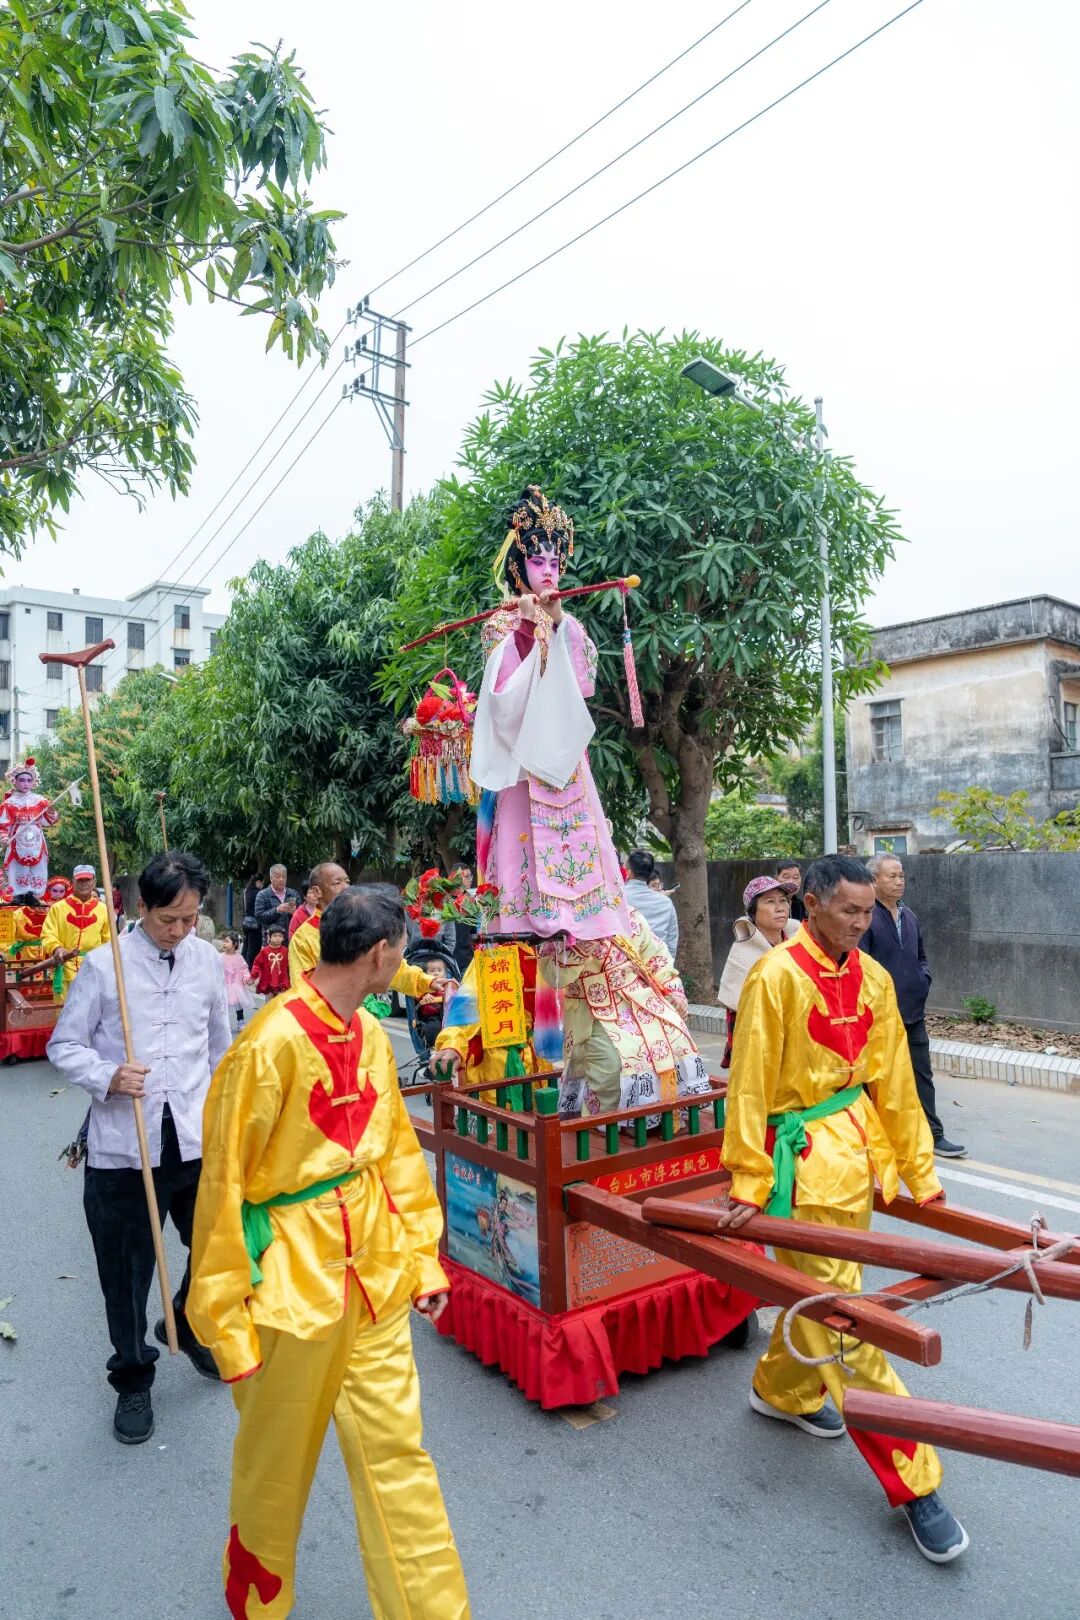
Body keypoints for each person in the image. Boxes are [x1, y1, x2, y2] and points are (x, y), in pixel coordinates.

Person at [188, 887, 469, 1619]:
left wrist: (422, 1261)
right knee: (275, 1465)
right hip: (291, 1281)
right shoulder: (268, 1045)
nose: (402, 964)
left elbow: (396, 1156)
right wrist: (225, 1325)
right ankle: (258, 1604)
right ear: (378, 955)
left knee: (399, 1455)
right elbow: (222, 1187)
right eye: (400, 953)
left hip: (374, 1272)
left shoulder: (370, 1032)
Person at [717, 855, 967, 1564]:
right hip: (800, 1168)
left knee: (824, 1296)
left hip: (855, 1155)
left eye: (868, 912)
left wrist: (918, 1171)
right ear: (814, 905)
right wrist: (747, 1180)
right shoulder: (775, 976)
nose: (863, 922)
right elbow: (749, 1084)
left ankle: (781, 1391)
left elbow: (896, 1081)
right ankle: (916, 1481)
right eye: (851, 911)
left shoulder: (874, 977)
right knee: (846, 1319)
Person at [46, 851, 231, 1444]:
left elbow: (220, 1047)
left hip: (195, 1137)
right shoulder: (106, 967)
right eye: (167, 919)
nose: (179, 931)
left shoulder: (207, 961)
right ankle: (132, 1377)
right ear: (141, 907)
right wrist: (107, 1075)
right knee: (124, 1273)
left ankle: (186, 1318)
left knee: (218, 1247)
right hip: (124, 1147)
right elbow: (64, 1045)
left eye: (189, 919)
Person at [469, 484, 632, 940]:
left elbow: (583, 683)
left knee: (579, 840)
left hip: (564, 763)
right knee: (521, 846)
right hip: (522, 763)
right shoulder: (500, 623)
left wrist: (557, 622)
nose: (548, 571)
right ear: (518, 567)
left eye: (555, 563)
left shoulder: (568, 623)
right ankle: (521, 921)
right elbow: (502, 694)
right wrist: (525, 628)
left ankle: (588, 919)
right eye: (538, 561)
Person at [538, 907, 712, 1121]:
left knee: (678, 1040)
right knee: (613, 1063)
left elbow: (656, 956)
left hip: (642, 1000)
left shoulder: (628, 914)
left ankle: (664, 1115)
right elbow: (554, 977)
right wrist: (583, 945)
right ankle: (612, 1123)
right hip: (592, 1011)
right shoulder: (559, 923)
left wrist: (673, 990)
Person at [861, 853, 966, 1159]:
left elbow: (921, 956)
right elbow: (861, 966)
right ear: (874, 880)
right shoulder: (866, 918)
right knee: (878, 1079)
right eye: (892, 876)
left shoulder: (909, 916)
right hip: (880, 1016)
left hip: (913, 1012)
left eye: (901, 876)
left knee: (922, 1075)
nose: (899, 882)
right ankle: (874, 1137)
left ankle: (934, 1135)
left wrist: (923, 979)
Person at [291, 862, 436, 1004]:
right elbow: (303, 991)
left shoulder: (363, 924)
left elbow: (389, 965)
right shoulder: (303, 938)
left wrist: (427, 982)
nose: (346, 888)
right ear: (317, 891)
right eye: (337, 883)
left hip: (363, 1014)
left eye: (347, 882)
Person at [716, 874, 800, 1067]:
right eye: (770, 902)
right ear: (753, 912)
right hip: (761, 1052)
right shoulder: (743, 955)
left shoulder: (799, 942)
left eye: (783, 901)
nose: (780, 908)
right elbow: (738, 1017)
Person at [41, 862, 111, 1000]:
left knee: (92, 1010)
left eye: (87, 880)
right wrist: (57, 949)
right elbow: (47, 934)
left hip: (94, 971)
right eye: (80, 880)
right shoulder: (58, 908)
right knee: (63, 1010)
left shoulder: (104, 910)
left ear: (94, 881)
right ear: (73, 881)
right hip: (65, 969)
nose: (84, 883)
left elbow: (109, 941)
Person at [0, 757, 59, 897]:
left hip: (36, 842)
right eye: (22, 780)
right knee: (17, 867)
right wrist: (4, 838)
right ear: (15, 781)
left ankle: (35, 895)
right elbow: (2, 824)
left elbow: (48, 821)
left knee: (38, 866)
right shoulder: (8, 803)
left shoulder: (41, 801)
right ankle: (18, 895)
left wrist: (51, 811)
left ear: (34, 782)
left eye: (29, 780)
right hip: (16, 841)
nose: (25, 783)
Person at [622, 848, 679, 958]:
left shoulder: (618, 898)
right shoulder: (666, 903)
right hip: (656, 961)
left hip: (625, 962)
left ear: (628, 872)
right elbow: (672, 941)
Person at [220, 929, 256, 1033]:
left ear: (234, 944)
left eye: (227, 941)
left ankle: (241, 1021)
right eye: (224, 941)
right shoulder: (220, 957)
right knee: (223, 1005)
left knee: (238, 1004)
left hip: (236, 985)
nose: (224, 943)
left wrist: (247, 978)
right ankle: (223, 1023)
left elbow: (244, 969)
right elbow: (215, 969)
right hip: (223, 985)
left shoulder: (239, 958)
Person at [254, 863, 300, 944]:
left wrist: (295, 913)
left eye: (284, 877)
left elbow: (302, 916)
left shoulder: (293, 894)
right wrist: (277, 910)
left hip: (291, 940)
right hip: (271, 941)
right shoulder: (262, 895)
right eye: (277, 877)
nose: (281, 879)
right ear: (271, 878)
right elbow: (259, 917)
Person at [251, 924, 289, 998]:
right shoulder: (265, 951)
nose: (277, 938)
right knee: (268, 1002)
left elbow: (290, 965)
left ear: (283, 938)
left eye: (280, 936)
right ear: (269, 937)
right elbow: (257, 963)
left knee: (280, 1001)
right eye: (275, 936)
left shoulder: (285, 951)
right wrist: (254, 975)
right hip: (268, 981)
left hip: (281, 981)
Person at [241, 872, 265, 969]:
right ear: (258, 882)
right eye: (262, 883)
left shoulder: (246, 891)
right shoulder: (259, 893)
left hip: (246, 922)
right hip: (255, 924)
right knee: (253, 948)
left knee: (246, 946)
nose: (262, 885)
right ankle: (250, 969)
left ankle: (242, 968)